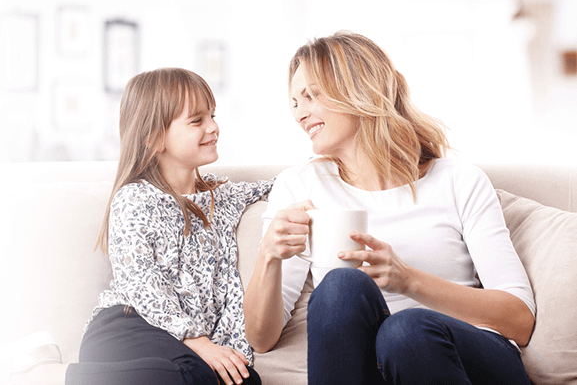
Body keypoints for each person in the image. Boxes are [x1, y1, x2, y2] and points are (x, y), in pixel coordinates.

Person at [243, 32, 536, 384]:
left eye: (310, 95)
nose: (299, 114)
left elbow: (519, 321)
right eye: (293, 102)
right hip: (369, 368)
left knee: (406, 331)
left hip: (470, 358)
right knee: (340, 286)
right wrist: (268, 256)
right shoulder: (300, 185)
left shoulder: (458, 181)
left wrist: (409, 280)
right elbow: (261, 339)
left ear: (358, 90)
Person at [65, 68, 271, 385]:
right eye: (197, 120)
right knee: (197, 374)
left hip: (178, 347)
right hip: (127, 327)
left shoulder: (224, 197)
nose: (214, 127)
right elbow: (141, 284)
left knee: (246, 381)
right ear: (155, 137)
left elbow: (284, 185)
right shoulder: (135, 200)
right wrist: (200, 342)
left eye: (212, 116)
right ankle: (59, 377)